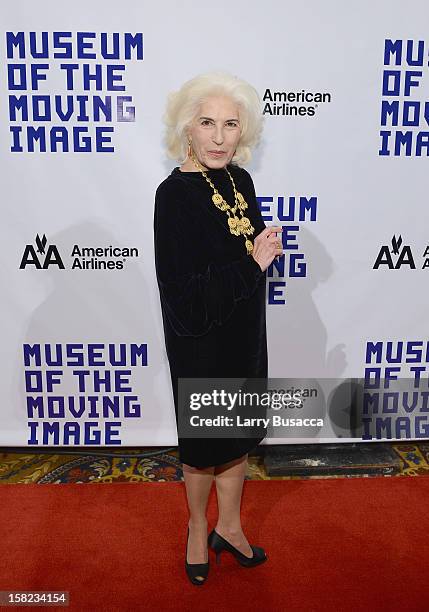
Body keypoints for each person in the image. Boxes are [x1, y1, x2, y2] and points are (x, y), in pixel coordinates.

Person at [153, 71, 283, 585]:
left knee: (236, 441)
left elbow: (246, 256)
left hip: (244, 336)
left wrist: (259, 255)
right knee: (205, 449)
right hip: (201, 344)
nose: (220, 136)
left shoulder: (240, 180)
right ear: (188, 128)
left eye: (231, 124)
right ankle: (194, 530)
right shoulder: (173, 196)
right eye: (208, 123)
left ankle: (229, 527)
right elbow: (184, 299)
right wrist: (253, 264)